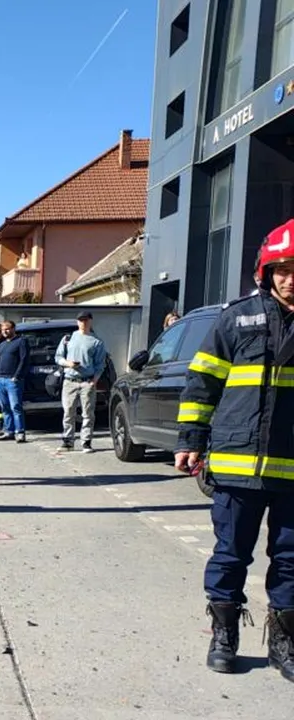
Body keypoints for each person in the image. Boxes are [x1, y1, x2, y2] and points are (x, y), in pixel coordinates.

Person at [175, 218, 294, 681]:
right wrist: (190, 441)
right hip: (236, 464)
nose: (290, 278)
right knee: (230, 555)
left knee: (290, 559)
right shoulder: (237, 318)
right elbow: (202, 382)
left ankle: (284, 639)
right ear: (265, 271)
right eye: (281, 269)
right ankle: (224, 635)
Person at [55, 311, 108, 453]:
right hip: (69, 380)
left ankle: (86, 442)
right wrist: (68, 363)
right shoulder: (68, 338)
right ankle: (67, 441)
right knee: (68, 412)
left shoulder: (96, 342)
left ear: (90, 321)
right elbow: (58, 357)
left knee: (88, 413)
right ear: (77, 322)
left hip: (87, 382)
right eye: (80, 320)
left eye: (85, 320)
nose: (83, 323)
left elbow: (100, 364)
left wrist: (94, 381)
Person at [0, 320, 28, 443]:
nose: (5, 331)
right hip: (0, 380)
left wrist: (16, 376)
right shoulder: (2, 345)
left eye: (7, 329)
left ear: (13, 329)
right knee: (5, 407)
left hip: (12, 381)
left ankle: (20, 432)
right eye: (3, 329)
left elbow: (24, 360)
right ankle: (9, 431)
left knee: (16, 407)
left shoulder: (20, 342)